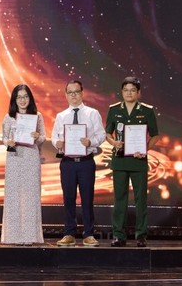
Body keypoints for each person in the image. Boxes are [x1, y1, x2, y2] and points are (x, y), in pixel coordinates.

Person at [105, 76, 159, 247]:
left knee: (140, 200)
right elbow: (108, 134)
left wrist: (145, 150)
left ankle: (141, 235)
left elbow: (155, 135)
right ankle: (118, 235)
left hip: (138, 162)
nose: (129, 93)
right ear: (122, 92)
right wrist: (114, 143)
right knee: (119, 199)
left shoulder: (147, 111)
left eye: (133, 90)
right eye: (126, 90)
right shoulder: (114, 110)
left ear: (138, 92)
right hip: (120, 161)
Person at [51, 80, 106, 247]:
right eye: (70, 92)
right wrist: (57, 143)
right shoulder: (61, 116)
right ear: (66, 95)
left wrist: (91, 142)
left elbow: (101, 135)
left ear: (82, 93)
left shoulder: (92, 113)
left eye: (76, 92)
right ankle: (69, 233)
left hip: (85, 162)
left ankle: (89, 234)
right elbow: (54, 136)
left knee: (87, 198)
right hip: (67, 163)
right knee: (68, 198)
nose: (73, 95)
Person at [0, 84, 47, 245]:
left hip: (31, 158)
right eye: (19, 97)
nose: (22, 100)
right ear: (14, 99)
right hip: (14, 158)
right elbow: (4, 137)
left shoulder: (37, 116)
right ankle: (13, 236)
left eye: (25, 97)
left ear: (30, 99)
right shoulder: (9, 117)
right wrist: (8, 142)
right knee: (14, 196)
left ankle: (29, 237)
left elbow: (43, 138)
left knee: (30, 196)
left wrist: (37, 136)